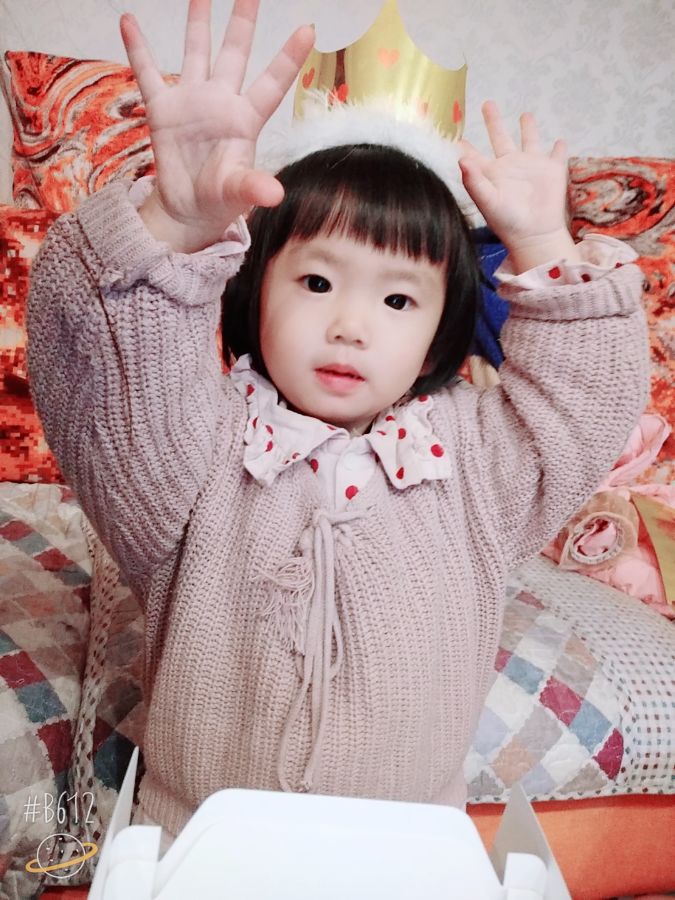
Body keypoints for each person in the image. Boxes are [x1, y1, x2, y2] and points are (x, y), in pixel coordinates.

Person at [27, 0, 648, 850]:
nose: (351, 325)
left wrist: (542, 242)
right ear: (253, 287)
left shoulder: (475, 464)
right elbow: (102, 376)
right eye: (316, 283)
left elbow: (583, 405)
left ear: (439, 329)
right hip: (199, 842)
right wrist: (174, 221)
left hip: (408, 849)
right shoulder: (196, 446)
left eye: (397, 299)